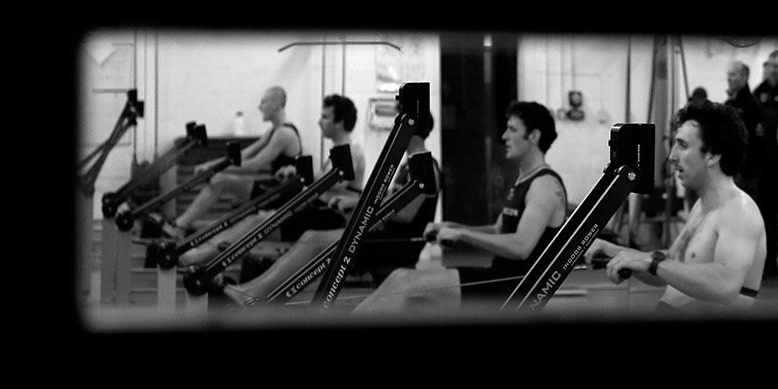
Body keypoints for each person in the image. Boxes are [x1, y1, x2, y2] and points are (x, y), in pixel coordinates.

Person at [354, 101, 567, 313]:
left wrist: (462, 234)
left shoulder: (544, 185)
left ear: (534, 136)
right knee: (400, 278)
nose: (504, 136)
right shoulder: (525, 180)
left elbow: (521, 247)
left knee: (405, 283)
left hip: (514, 290)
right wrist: (451, 226)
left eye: (512, 130)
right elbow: (497, 230)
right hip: (498, 277)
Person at [222, 103, 437, 305]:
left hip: (398, 243)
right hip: (381, 234)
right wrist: (356, 201)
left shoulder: (426, 166)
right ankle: (250, 290)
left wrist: (359, 204)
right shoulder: (408, 165)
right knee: (310, 238)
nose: (394, 126)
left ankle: (252, 293)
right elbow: (389, 201)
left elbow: (405, 214)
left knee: (315, 240)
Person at [590, 100, 765, 312]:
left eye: (682, 145)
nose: (672, 156)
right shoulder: (701, 207)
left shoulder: (740, 211)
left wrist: (650, 262)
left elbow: (725, 285)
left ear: (713, 155)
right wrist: (616, 251)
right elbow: (671, 265)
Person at [177, 94, 365, 269]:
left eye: (324, 117)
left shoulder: (351, 151)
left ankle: (197, 254)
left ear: (339, 122)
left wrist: (302, 171)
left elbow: (335, 182)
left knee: (258, 221)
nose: (318, 122)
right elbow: (325, 178)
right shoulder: (339, 149)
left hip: (332, 218)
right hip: (316, 210)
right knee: (255, 219)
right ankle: (200, 254)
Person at [165, 86, 302, 238]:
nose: (259, 107)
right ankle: (181, 224)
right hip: (275, 187)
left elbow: (254, 165)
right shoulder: (273, 131)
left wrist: (217, 169)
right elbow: (243, 154)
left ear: (275, 105)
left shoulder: (284, 133)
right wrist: (210, 165)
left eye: (263, 102)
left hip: (284, 194)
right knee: (218, 179)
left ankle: (180, 226)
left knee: (219, 180)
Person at [752, 51, 778, 278]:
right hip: (763, 164)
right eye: (770, 66)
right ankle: (769, 265)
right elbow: (761, 118)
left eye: (777, 66)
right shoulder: (760, 91)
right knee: (766, 218)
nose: (773, 70)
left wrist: (768, 125)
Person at [724, 60, 765, 197]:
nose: (729, 78)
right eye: (728, 74)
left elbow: (756, 142)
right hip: (728, 171)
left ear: (744, 77)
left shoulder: (753, 106)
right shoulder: (728, 105)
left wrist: (744, 168)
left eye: (733, 75)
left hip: (746, 174)